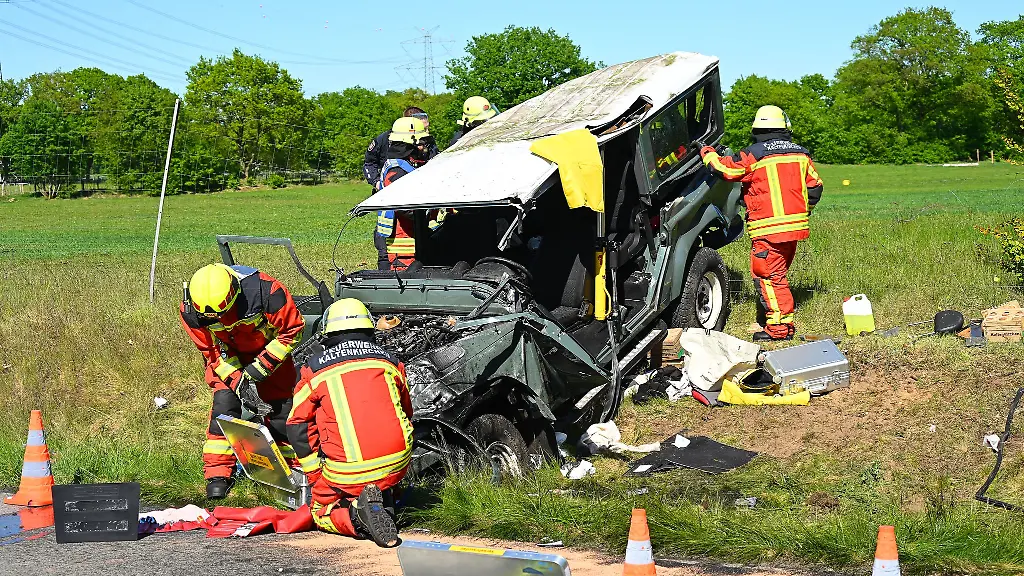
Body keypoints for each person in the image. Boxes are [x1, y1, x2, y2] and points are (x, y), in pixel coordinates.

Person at [287, 298, 413, 547]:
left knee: (319, 511)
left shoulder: (313, 370)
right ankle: (384, 493)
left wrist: (314, 475)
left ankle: (356, 518)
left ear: (327, 332)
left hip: (349, 473)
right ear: (369, 328)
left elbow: (296, 426)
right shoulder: (391, 361)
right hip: (399, 462)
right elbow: (406, 412)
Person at [179, 263, 305, 498]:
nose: (221, 320)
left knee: (281, 410)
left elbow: (292, 330)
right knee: (224, 407)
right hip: (228, 358)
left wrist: (260, 369)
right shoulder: (191, 311)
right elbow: (212, 351)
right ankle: (217, 474)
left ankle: (288, 472)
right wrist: (238, 381)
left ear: (235, 293)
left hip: (270, 354)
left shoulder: (268, 293)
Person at [699, 105, 823, 342]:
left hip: (768, 229)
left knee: (767, 276)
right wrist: (802, 211)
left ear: (757, 127)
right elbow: (815, 186)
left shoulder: (754, 154)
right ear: (784, 126)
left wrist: (707, 152)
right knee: (778, 276)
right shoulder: (800, 153)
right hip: (795, 227)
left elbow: (724, 169)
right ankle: (783, 324)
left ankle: (778, 329)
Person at [375, 116, 436, 270]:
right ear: (410, 144)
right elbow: (406, 209)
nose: (423, 148)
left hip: (412, 242)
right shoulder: (396, 171)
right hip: (402, 249)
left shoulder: (406, 165)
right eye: (421, 144)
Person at [363, 106, 439, 186]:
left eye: (427, 128)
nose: (427, 133)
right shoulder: (383, 140)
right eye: (422, 129)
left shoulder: (427, 141)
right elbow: (369, 162)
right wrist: (377, 183)